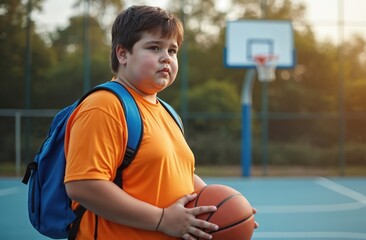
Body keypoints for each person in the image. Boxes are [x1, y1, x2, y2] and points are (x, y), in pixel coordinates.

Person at [64, 5, 257, 240]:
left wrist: (224, 210)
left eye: (173, 50)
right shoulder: (105, 105)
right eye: (154, 47)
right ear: (122, 54)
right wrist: (162, 219)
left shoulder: (168, 112)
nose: (166, 57)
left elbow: (182, 177)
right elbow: (83, 185)